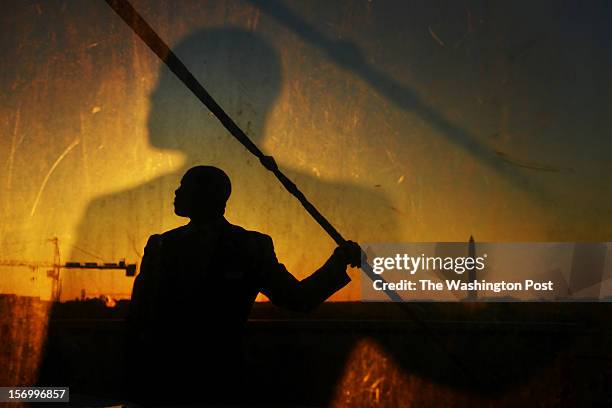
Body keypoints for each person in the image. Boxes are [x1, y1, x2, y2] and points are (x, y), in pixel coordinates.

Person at [125, 165, 361, 405]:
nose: (176, 192)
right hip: (164, 382)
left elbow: (298, 299)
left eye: (185, 186)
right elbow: (138, 317)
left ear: (208, 195)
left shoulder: (251, 247)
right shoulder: (160, 245)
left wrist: (337, 263)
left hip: (219, 383)